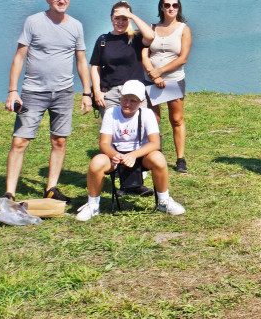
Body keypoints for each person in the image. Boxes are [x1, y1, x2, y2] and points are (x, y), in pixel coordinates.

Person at [3, 0, 92, 202]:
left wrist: (87, 92)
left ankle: (51, 188)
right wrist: (13, 91)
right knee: (20, 141)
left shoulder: (76, 26)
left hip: (63, 92)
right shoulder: (33, 22)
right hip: (33, 91)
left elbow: (81, 61)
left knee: (59, 141)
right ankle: (9, 193)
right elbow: (19, 57)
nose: (61, 0)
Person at [75, 80, 186, 221]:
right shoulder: (111, 113)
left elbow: (155, 143)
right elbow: (104, 144)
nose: (127, 104)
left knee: (158, 158)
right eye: (125, 99)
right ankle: (93, 205)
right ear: (120, 98)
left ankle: (164, 201)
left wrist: (133, 155)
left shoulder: (147, 114)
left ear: (141, 101)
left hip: (140, 157)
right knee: (96, 162)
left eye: (133, 101)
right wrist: (115, 155)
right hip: (115, 157)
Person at [143, 0, 191, 174]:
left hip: (174, 79)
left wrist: (161, 72)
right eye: (167, 5)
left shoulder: (183, 29)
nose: (171, 8)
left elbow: (183, 58)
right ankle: (156, 152)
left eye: (174, 5)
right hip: (151, 80)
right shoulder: (152, 27)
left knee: (176, 119)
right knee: (153, 119)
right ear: (161, 7)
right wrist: (153, 75)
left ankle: (180, 159)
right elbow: (145, 53)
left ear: (179, 8)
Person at [89, 1, 156, 109]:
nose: (120, 22)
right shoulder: (103, 39)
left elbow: (150, 36)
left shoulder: (135, 37)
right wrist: (97, 92)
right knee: (111, 125)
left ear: (129, 20)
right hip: (110, 94)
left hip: (135, 92)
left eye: (124, 19)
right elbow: (96, 67)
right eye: (117, 18)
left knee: (137, 125)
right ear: (111, 18)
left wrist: (132, 16)